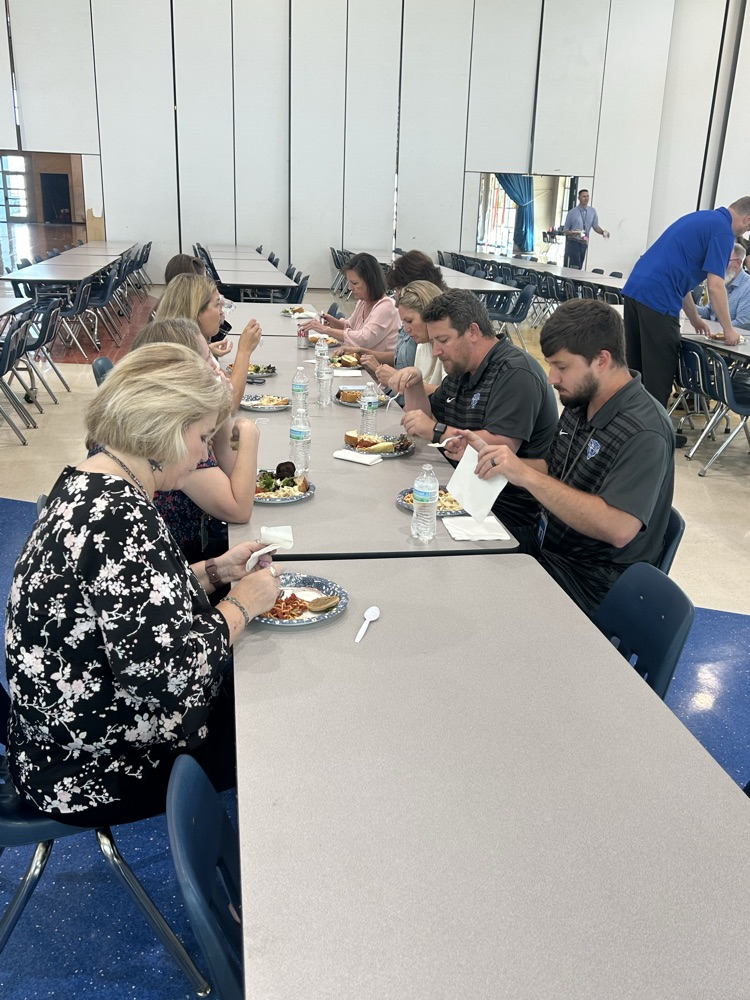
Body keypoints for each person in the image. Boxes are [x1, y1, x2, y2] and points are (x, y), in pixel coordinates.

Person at [5, 343, 281, 826]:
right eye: (201, 437)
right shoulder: (119, 519)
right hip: (95, 769)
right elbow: (168, 676)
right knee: (271, 723)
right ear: (166, 432)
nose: (204, 453)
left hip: (56, 742)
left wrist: (217, 571)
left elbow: (136, 603)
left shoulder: (93, 480)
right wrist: (242, 604)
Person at [458, 299, 675, 616]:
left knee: (473, 599)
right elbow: (553, 467)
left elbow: (618, 527)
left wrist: (527, 476)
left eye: (562, 367)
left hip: (592, 583)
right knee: (456, 558)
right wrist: (500, 461)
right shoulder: (582, 399)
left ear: (601, 360)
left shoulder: (644, 431)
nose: (552, 378)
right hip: (547, 551)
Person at [392, 289, 557, 535]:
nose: (436, 351)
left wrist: (437, 431)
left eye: (443, 340)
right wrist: (414, 384)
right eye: (434, 341)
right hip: (462, 491)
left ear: (472, 331)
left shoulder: (516, 373)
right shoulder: (462, 368)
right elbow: (421, 422)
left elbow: (500, 447)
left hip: (503, 514)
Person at [128, 318, 260, 563]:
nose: (215, 366)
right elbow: (239, 509)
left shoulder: (177, 417)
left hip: (186, 560)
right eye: (207, 359)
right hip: (179, 558)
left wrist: (220, 411)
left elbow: (232, 473)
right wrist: (250, 435)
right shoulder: (168, 433)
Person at [622, 196, 750, 412]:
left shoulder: (702, 218)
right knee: (658, 376)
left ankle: (630, 424)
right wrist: (728, 330)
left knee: (636, 372)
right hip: (658, 300)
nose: (745, 233)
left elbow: (679, 278)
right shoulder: (723, 232)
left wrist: (694, 318)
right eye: (748, 228)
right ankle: (653, 430)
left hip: (635, 291)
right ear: (747, 219)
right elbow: (716, 285)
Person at [154, 272, 262, 412]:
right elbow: (228, 406)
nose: (222, 312)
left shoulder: (173, 343)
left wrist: (208, 351)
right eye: (217, 305)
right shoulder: (183, 361)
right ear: (197, 312)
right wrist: (244, 351)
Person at [300, 252, 399, 352]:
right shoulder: (363, 302)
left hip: (376, 361)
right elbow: (350, 327)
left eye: (354, 283)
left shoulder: (386, 306)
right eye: (349, 283)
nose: (350, 288)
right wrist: (332, 322)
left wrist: (327, 330)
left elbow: (364, 339)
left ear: (371, 282)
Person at [373, 281, 445, 395]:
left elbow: (449, 396)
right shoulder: (422, 346)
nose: (406, 329)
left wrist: (398, 378)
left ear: (428, 314)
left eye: (410, 321)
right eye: (404, 322)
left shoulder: (450, 349)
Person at [696, 243, 750, 330]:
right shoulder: (724, 280)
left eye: (724, 260)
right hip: (715, 333)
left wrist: (714, 329)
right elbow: (709, 312)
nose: (719, 264)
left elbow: (742, 323)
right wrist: (686, 303)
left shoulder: (747, 287)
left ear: (738, 263)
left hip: (730, 336)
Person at [563, 189, 609, 269]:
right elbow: (565, 230)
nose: (586, 198)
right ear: (579, 198)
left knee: (580, 265)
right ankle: (574, 276)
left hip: (584, 242)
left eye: (587, 196)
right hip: (573, 241)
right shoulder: (572, 212)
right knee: (575, 265)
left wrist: (603, 232)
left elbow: (595, 226)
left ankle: (575, 277)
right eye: (584, 196)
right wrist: (572, 233)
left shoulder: (592, 211)